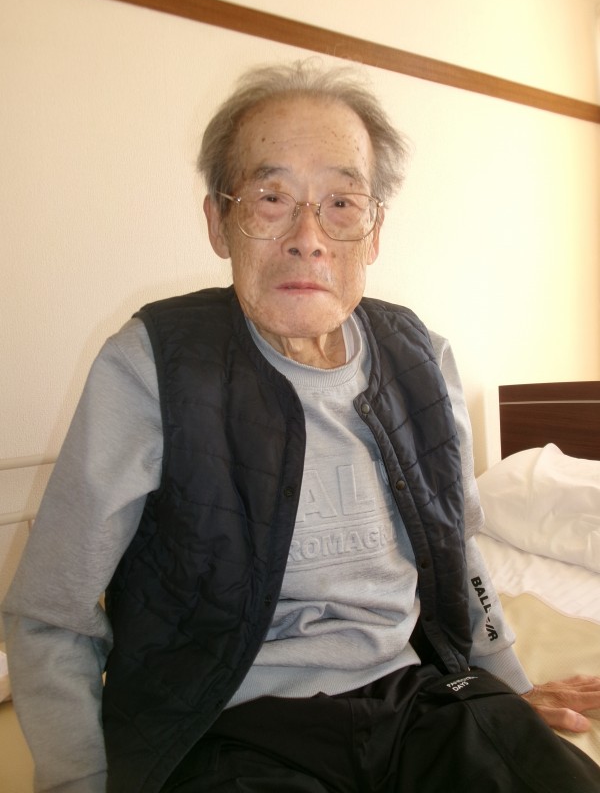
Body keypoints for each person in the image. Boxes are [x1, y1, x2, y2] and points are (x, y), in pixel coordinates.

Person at [3, 59, 600, 793]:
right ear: (220, 222)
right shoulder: (152, 366)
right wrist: (80, 782)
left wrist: (506, 690)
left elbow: (459, 548)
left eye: (342, 203)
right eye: (271, 197)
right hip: (230, 727)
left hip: (420, 700)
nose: (308, 237)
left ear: (373, 233)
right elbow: (50, 614)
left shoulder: (422, 357)